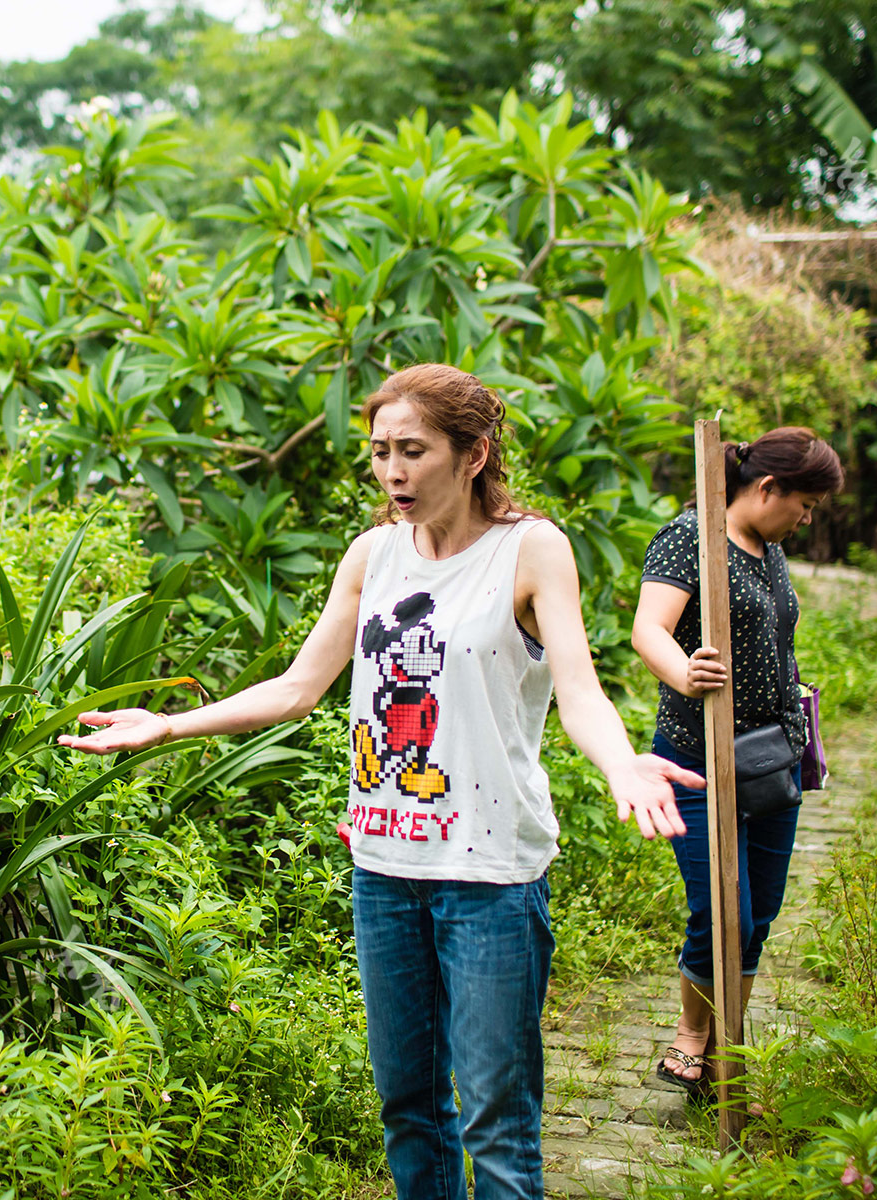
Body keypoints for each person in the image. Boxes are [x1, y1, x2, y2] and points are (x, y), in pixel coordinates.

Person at [60, 363, 703, 1200]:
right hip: (384, 873)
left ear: (472, 456)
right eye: (379, 453)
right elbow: (300, 687)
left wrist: (623, 763)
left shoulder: (531, 549)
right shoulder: (373, 555)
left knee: (497, 1126)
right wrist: (171, 723)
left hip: (490, 880)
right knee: (409, 1108)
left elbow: (578, 688)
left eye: (413, 451)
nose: (393, 472)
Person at [630, 427, 844, 1100]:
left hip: (772, 761)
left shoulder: (770, 549)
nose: (806, 519)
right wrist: (686, 673)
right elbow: (648, 630)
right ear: (767, 487)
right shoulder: (691, 538)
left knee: (761, 912)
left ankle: (730, 1041)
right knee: (721, 909)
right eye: (803, 504)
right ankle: (694, 1034)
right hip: (699, 760)